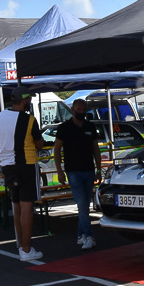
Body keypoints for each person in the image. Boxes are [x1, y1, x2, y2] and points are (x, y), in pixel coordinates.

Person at [0, 90, 44, 261]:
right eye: (29, 99)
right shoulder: (29, 119)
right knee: (26, 207)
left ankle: (21, 245)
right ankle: (26, 249)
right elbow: (39, 144)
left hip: (7, 166)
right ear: (24, 101)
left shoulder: (1, 116)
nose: (29, 102)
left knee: (16, 205)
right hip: (26, 164)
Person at [54, 98, 101, 250]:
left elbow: (96, 149)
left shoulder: (90, 126)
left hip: (89, 170)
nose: (81, 112)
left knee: (85, 206)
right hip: (73, 171)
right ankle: (89, 235)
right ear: (73, 110)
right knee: (82, 204)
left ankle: (81, 234)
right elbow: (56, 150)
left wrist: (99, 169)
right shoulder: (64, 127)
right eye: (79, 110)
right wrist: (60, 171)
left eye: (84, 110)